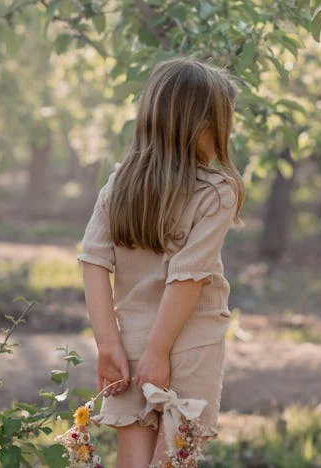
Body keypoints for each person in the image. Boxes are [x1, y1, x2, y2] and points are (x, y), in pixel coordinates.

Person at [77, 57, 245, 467]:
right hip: (187, 340)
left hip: (130, 343)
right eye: (225, 121)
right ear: (201, 126)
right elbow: (187, 279)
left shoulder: (121, 183)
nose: (229, 130)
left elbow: (94, 260)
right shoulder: (216, 191)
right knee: (173, 460)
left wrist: (108, 343)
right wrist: (159, 350)